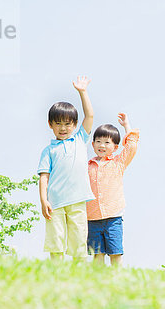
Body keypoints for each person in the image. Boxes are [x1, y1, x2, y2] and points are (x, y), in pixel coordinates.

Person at [37, 76, 95, 260]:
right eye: (58, 123)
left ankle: (79, 275)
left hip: (77, 201)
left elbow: (90, 116)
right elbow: (44, 178)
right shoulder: (48, 151)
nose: (63, 128)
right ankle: (56, 274)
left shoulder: (79, 140)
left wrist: (82, 92)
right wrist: (43, 201)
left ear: (75, 125)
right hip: (55, 203)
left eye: (67, 124)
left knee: (79, 242)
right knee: (56, 243)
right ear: (50, 125)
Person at [86, 113, 139, 266]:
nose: (102, 145)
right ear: (93, 144)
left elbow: (131, 146)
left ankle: (117, 281)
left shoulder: (118, 163)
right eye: (98, 141)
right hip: (93, 219)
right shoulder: (87, 166)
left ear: (115, 147)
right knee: (97, 256)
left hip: (113, 218)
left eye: (107, 142)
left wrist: (126, 126)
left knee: (115, 254)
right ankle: (99, 283)